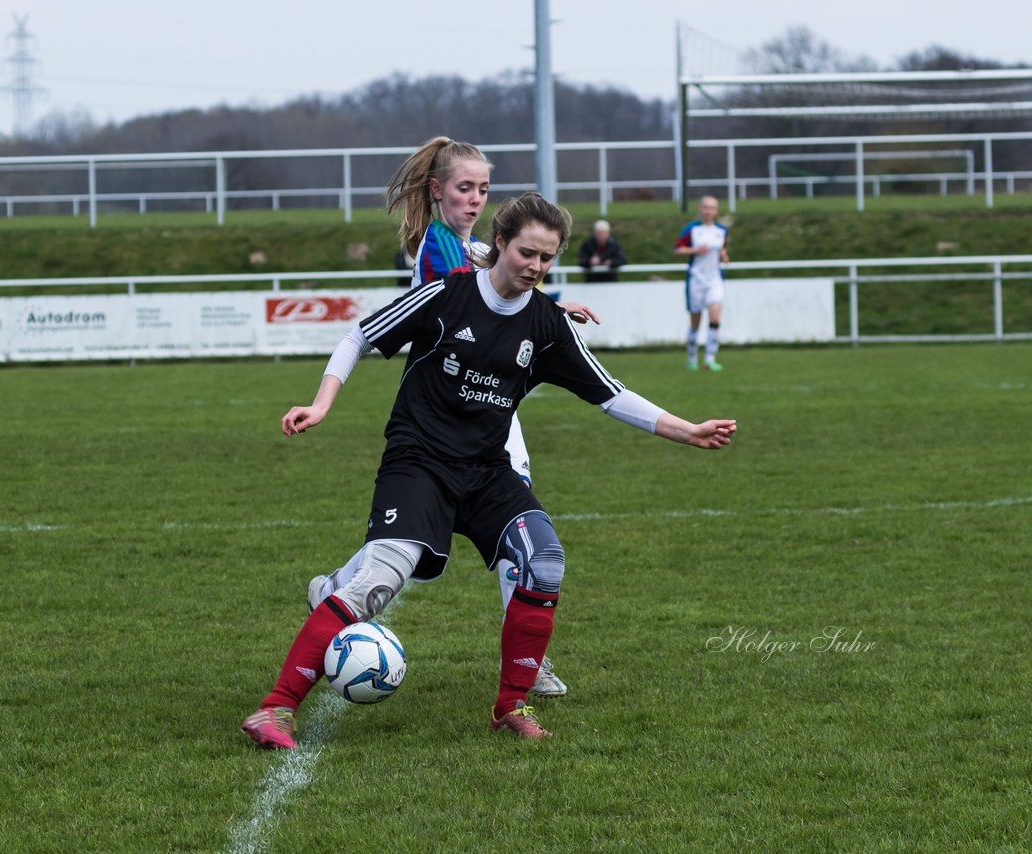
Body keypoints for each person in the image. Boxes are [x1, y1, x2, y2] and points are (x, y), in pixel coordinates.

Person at [242, 193, 737, 748]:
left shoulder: (547, 322)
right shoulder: (444, 296)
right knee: (380, 578)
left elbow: (610, 393)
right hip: (419, 463)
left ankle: (511, 706)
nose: (535, 267)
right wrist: (323, 403)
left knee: (544, 560)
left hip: (486, 471)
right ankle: (276, 709)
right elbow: (359, 336)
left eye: (547, 259)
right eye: (527, 252)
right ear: (499, 242)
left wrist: (687, 429)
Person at [311, 137, 598, 698]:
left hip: (481, 394)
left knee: (458, 525)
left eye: (483, 190)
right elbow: (481, 291)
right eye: (464, 189)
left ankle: (338, 587)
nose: (475, 199)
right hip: (458, 398)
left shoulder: (462, 245)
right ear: (437, 191)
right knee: (509, 519)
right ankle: (526, 660)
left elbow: (504, 282)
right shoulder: (442, 248)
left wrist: (553, 308)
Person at [673, 196, 730, 372]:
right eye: (705, 207)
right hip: (696, 279)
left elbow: (723, 247)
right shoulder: (692, 229)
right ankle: (692, 358)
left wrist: (723, 255)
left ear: (716, 211)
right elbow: (677, 249)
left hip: (714, 279)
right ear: (700, 209)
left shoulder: (721, 230)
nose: (708, 211)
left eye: (712, 208)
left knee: (715, 317)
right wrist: (695, 250)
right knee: (695, 322)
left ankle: (710, 359)